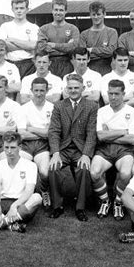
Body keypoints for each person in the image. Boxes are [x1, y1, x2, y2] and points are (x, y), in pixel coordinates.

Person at [47, 74, 98, 221]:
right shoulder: (59, 105)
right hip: (64, 148)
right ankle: (57, 206)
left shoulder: (92, 106)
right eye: (70, 88)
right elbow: (54, 131)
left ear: (83, 88)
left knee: (83, 168)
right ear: (66, 89)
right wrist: (55, 153)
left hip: (80, 149)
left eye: (76, 88)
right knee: (53, 167)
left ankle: (80, 207)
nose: (73, 91)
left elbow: (91, 133)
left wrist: (86, 154)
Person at [0, 131, 42, 233]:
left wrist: (15, 206)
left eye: (13, 147)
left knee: (37, 198)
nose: (9, 151)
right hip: (1, 203)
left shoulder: (30, 165)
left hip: (20, 205)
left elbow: (29, 191)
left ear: (20, 147)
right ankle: (10, 223)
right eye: (6, 147)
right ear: (3, 147)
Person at [90, 80, 134, 220]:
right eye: (110, 93)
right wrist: (123, 131)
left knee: (125, 173)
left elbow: (132, 140)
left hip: (125, 150)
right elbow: (100, 136)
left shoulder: (132, 112)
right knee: (94, 172)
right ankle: (105, 200)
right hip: (104, 149)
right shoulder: (102, 111)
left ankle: (118, 202)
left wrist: (110, 134)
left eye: (117, 94)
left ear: (123, 94)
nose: (113, 97)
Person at [17, 77, 54, 210]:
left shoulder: (52, 107)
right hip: (26, 145)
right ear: (31, 90)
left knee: (44, 172)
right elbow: (21, 134)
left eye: (42, 90)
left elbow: (49, 134)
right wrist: (42, 131)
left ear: (47, 90)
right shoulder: (23, 108)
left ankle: (44, 191)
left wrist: (31, 128)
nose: (39, 94)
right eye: (36, 90)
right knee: (20, 169)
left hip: (43, 146)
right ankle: (20, 195)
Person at [36, 0, 79, 78]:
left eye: (61, 10)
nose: (58, 13)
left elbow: (73, 48)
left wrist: (53, 45)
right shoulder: (44, 29)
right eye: (56, 10)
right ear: (52, 11)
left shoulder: (73, 29)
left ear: (66, 11)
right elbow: (41, 47)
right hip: (49, 63)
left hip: (67, 63)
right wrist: (65, 46)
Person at [1, 0, 39, 79]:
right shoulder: (5, 26)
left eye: (22, 8)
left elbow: (33, 46)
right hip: (9, 63)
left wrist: (13, 40)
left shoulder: (33, 27)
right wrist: (26, 45)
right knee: (9, 90)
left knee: (25, 90)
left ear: (27, 9)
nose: (19, 11)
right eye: (16, 8)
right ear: (12, 9)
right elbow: (3, 46)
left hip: (28, 65)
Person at [78, 1, 118, 75]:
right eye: (94, 14)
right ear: (90, 15)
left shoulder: (112, 32)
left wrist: (92, 50)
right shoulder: (84, 34)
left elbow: (111, 51)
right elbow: (83, 54)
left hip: (106, 68)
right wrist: (103, 53)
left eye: (98, 14)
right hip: (89, 68)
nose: (96, 17)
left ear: (104, 14)